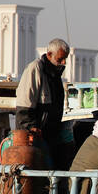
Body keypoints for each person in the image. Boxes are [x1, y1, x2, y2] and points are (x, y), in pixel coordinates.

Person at [15, 39, 72, 169]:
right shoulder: (35, 69)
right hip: (34, 138)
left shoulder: (55, 75)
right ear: (49, 55)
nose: (63, 63)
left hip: (49, 138)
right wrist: (31, 128)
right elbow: (24, 106)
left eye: (65, 59)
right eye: (60, 59)